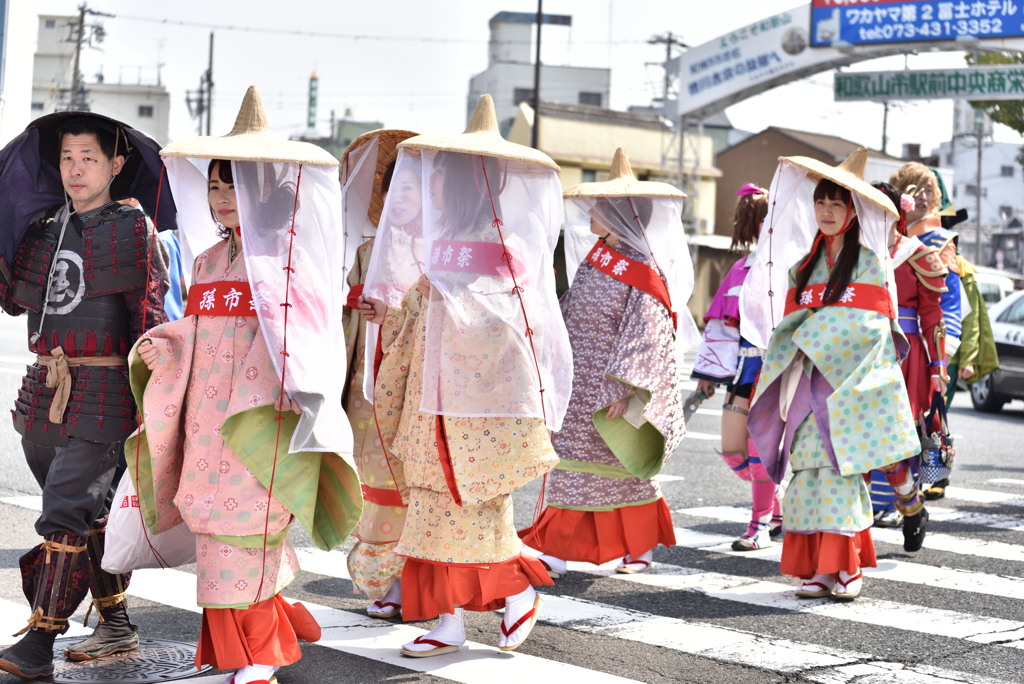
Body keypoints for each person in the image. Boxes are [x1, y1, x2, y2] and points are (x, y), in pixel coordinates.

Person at [126, 87, 362, 684]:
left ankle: (259, 654)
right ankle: (267, 630)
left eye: (234, 185)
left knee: (244, 531)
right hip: (209, 417)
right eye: (214, 185)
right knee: (217, 534)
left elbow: (303, 339)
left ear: (265, 190)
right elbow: (200, 327)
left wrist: (256, 400)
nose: (221, 197)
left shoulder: (289, 262)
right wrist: (168, 343)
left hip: (260, 417)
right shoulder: (207, 260)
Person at [359, 94, 572, 657]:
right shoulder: (447, 242)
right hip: (435, 400)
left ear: (464, 184)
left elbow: (507, 323)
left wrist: (443, 323)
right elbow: (430, 304)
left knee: (472, 512)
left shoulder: (505, 244)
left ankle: (515, 590)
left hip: (477, 407)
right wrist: (396, 316)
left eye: (438, 180)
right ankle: (449, 620)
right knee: (431, 513)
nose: (428, 188)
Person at [0, 113, 172, 679]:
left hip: (103, 392)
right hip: (43, 389)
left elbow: (149, 321)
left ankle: (40, 641)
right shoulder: (43, 225)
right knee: (88, 516)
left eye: (89, 159)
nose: (76, 170)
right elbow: (11, 296)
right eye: (67, 159)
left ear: (116, 166)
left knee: (64, 514)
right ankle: (116, 623)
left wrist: (155, 402)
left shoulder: (132, 228)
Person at [746, 149, 920, 601]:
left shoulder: (870, 264)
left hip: (849, 386)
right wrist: (803, 338)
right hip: (806, 383)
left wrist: (810, 333)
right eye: (820, 203)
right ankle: (819, 568)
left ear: (852, 211)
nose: (825, 211)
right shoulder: (801, 268)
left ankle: (847, 565)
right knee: (807, 474)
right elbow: (787, 326)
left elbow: (868, 327)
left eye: (836, 204)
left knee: (840, 474)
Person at [519, 147, 694, 575]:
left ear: (619, 213)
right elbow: (572, 306)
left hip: (611, 384)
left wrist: (625, 390)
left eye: (600, 206)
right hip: (579, 379)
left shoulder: (644, 269)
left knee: (624, 465)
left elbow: (648, 335)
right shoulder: (597, 256)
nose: (592, 211)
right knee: (572, 461)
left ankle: (638, 546)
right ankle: (558, 547)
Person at [340, 129, 418, 619]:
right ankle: (385, 581)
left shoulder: (438, 253)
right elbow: (346, 306)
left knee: (411, 480)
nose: (401, 198)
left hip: (414, 384)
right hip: (365, 382)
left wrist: (391, 315)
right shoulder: (367, 251)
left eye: (413, 189)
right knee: (374, 477)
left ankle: (413, 582)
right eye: (394, 188)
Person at [691, 183, 782, 551]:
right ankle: (777, 509)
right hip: (744, 370)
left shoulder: (790, 268)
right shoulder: (741, 269)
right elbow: (720, 327)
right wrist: (709, 377)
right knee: (734, 451)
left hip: (776, 370)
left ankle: (758, 526)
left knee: (761, 452)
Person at [868, 181, 946, 550]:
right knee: (856, 440)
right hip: (858, 355)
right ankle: (854, 530)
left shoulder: (916, 253)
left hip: (906, 356)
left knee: (893, 441)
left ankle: (911, 507)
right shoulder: (851, 253)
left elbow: (933, 315)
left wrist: (937, 365)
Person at [889, 163, 964, 502]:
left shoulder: (940, 240)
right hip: (885, 343)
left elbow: (947, 303)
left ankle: (922, 487)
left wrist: (941, 357)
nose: (922, 196)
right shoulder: (886, 237)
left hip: (923, 345)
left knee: (920, 422)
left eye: (928, 190)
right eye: (914, 189)